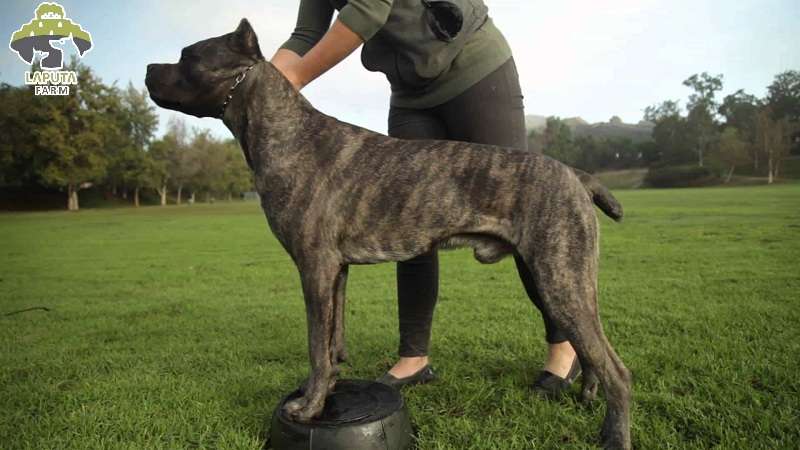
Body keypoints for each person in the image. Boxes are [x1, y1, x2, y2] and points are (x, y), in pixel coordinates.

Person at [271, 0, 580, 395]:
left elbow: (368, 9)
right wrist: (262, 82)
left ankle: (564, 348)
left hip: (474, 70)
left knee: (522, 212)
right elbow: (305, 35)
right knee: (408, 219)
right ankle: (414, 358)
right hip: (411, 95)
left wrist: (294, 78)